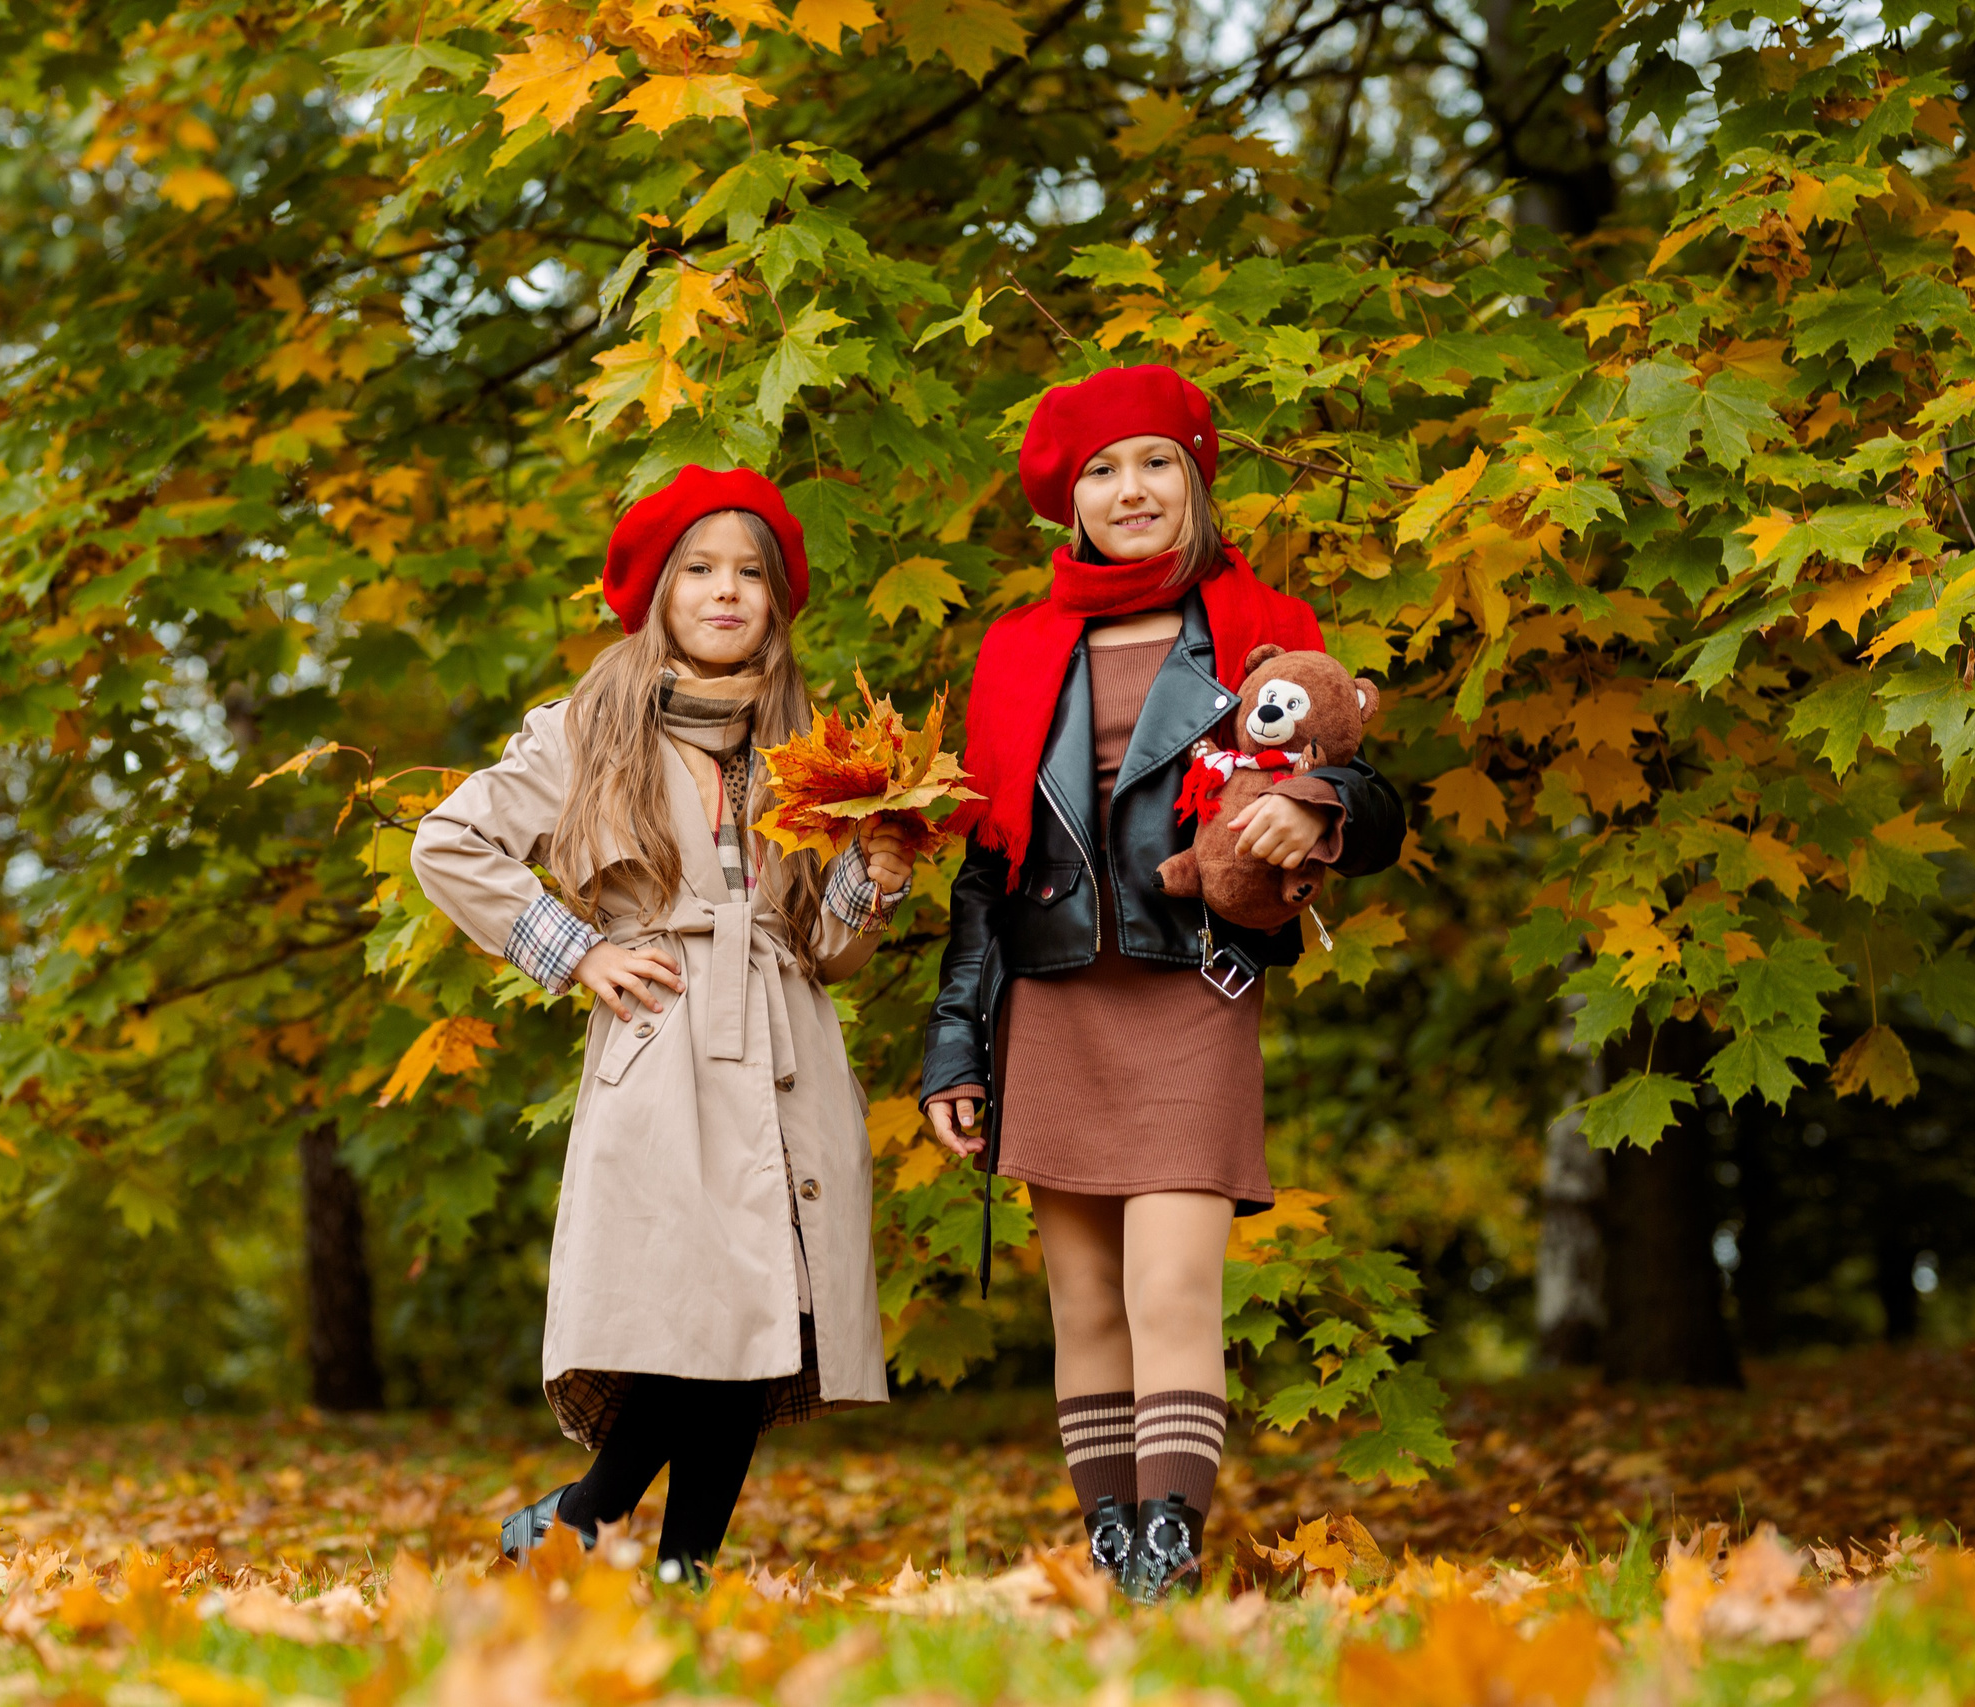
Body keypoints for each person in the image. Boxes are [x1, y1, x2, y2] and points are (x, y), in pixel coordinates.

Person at [919, 366, 1404, 1601]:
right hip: (1050, 992)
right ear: (1067, 500)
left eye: (1153, 464)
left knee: (1170, 1280)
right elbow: (987, 861)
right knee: (1083, 1302)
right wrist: (953, 1044)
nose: (1127, 491)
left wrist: (1318, 804)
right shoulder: (1018, 649)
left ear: (1194, 478)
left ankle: (1169, 1556)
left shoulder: (1257, 626)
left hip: (1196, 985)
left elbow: (1371, 790)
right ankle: (1109, 1544)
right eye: (1099, 471)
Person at [411, 465, 911, 1583]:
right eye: (700, 570)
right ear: (656, 593)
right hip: (666, 1040)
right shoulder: (590, 728)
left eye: (750, 574)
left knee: (761, 1308)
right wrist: (574, 949)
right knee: (692, 1312)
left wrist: (872, 879)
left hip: (785, 1045)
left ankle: (681, 1571)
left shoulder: (807, 747)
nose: (726, 591)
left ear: (777, 602)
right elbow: (447, 844)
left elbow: (830, 951)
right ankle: (585, 1520)